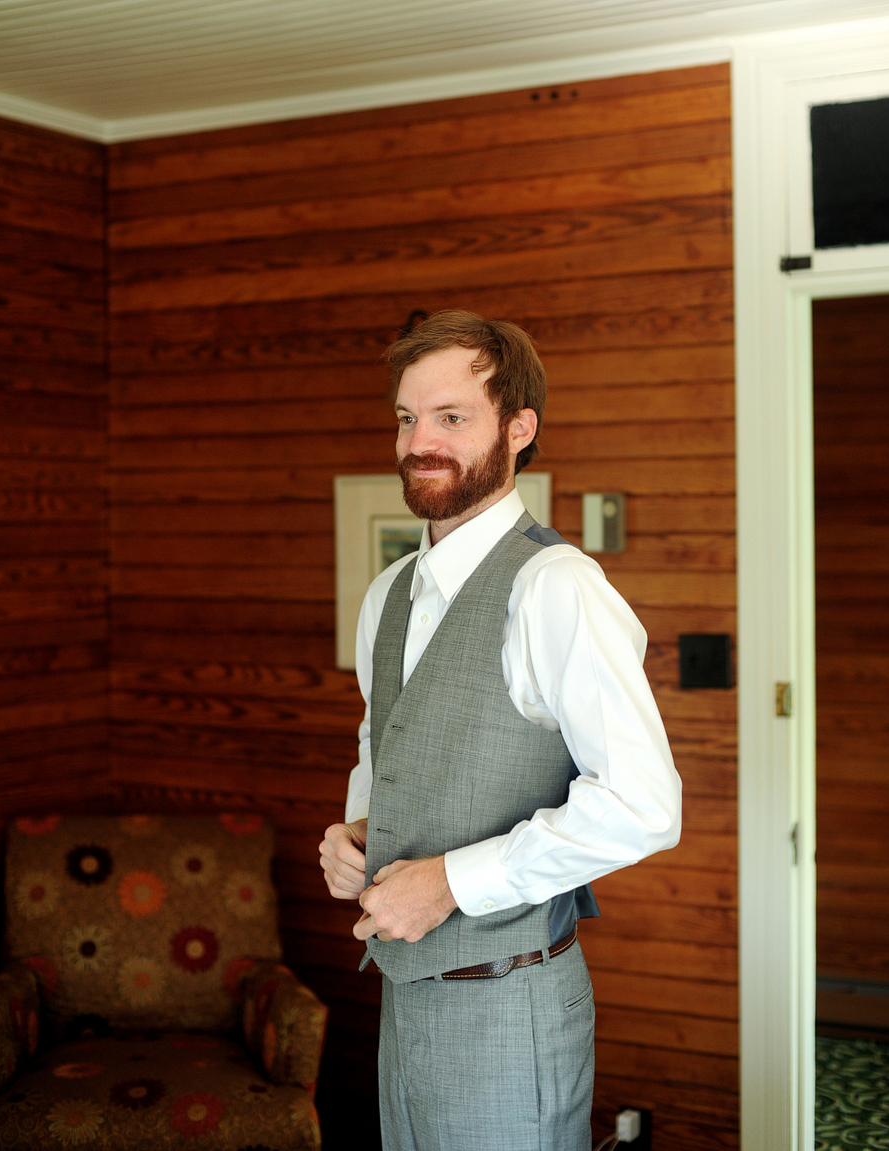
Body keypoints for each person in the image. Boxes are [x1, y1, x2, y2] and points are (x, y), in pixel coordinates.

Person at [319, 310, 681, 1151]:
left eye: (452, 417)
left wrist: (450, 880)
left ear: (519, 430)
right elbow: (386, 750)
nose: (419, 441)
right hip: (405, 1003)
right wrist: (362, 833)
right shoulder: (388, 594)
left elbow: (642, 805)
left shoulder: (558, 586)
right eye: (408, 418)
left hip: (509, 1007)